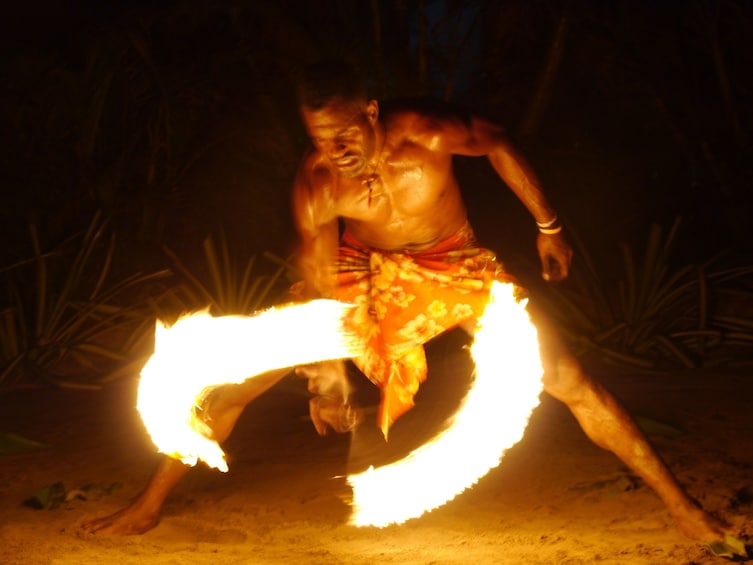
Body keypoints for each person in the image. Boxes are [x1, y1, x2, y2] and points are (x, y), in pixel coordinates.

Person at [83, 60, 736, 553]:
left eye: (343, 132)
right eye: (319, 136)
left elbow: (499, 143)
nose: (335, 149)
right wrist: (326, 374)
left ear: (370, 111)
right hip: (357, 268)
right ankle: (149, 500)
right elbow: (313, 276)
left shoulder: (425, 133)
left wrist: (547, 223)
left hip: (451, 258)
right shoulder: (316, 184)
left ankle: (681, 508)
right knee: (246, 378)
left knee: (563, 377)